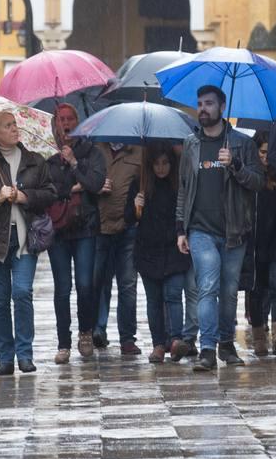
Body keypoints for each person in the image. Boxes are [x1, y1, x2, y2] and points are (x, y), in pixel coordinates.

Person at [176, 85, 264, 372]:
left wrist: (235, 165)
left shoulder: (241, 143)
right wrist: (181, 229)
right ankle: (207, 348)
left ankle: (227, 343)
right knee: (207, 286)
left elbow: (258, 183)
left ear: (222, 106)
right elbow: (184, 189)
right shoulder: (191, 144)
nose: (203, 108)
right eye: (199, 103)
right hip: (200, 230)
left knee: (228, 292)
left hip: (234, 230)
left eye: (209, 103)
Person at [0, 111, 56, 375]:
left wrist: (25, 196)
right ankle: (5, 358)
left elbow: (50, 193)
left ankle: (24, 354)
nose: (15, 128)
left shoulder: (34, 161)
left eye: (15, 124)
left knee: (22, 292)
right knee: (0, 300)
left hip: (26, 238)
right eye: (8, 125)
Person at [47, 103, 106, 364]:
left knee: (85, 284)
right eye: (62, 119)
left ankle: (86, 331)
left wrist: (73, 163)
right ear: (55, 124)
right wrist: (72, 188)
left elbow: (95, 184)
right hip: (58, 229)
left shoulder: (91, 151)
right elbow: (46, 190)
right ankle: (63, 342)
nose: (66, 123)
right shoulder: (47, 155)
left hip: (86, 228)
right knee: (62, 288)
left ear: (78, 122)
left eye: (71, 119)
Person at [125, 144, 191, 363]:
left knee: (173, 295)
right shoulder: (140, 184)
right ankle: (158, 344)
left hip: (174, 248)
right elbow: (128, 219)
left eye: (165, 163)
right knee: (154, 300)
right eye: (157, 164)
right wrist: (136, 207)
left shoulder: (177, 185)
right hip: (148, 250)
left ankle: (175, 339)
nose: (161, 168)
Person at [246, 131, 276, 357]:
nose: (266, 157)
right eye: (263, 152)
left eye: (270, 152)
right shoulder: (250, 177)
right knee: (256, 290)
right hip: (253, 242)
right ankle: (258, 339)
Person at [92, 142, 142, 355]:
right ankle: (98, 329)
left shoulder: (139, 152)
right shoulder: (95, 150)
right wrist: (96, 186)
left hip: (128, 228)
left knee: (128, 284)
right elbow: (84, 182)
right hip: (99, 227)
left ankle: (127, 338)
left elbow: (146, 184)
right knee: (99, 282)